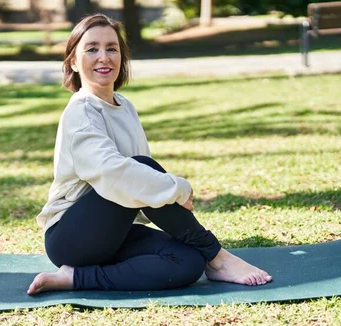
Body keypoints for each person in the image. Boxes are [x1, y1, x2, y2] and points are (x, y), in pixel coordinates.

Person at [27, 14, 272, 295]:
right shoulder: (81, 110)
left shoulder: (125, 106)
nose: (104, 57)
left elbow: (139, 185)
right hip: (71, 238)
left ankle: (74, 278)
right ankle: (217, 256)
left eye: (112, 48)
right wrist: (177, 188)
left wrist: (164, 193)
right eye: (92, 49)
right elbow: (114, 173)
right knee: (140, 168)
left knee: (188, 261)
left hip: (112, 233)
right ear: (73, 61)